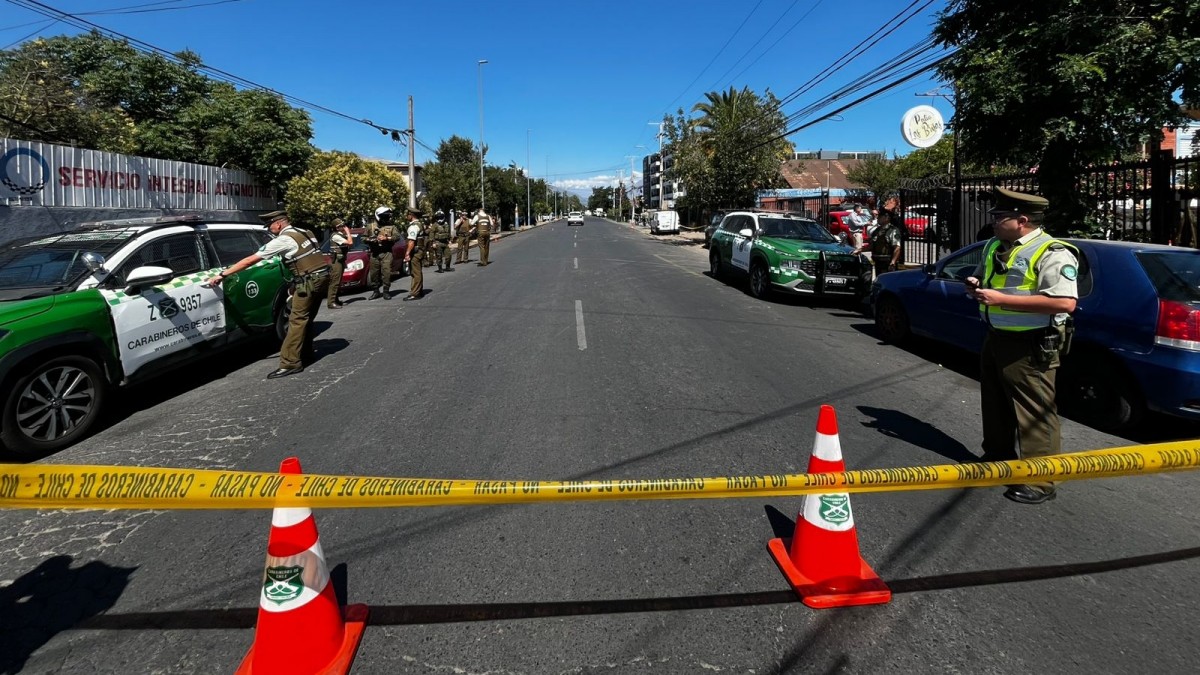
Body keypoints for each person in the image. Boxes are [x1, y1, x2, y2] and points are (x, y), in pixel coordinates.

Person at [964, 188, 1079, 505]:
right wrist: (975, 285)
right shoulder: (994, 245)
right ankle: (998, 460)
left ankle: (1040, 480)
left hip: (1031, 343)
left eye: (1001, 217)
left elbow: (1065, 302)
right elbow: (983, 279)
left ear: (1022, 220)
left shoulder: (1052, 252)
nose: (995, 221)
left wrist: (1000, 299)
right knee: (995, 403)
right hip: (996, 336)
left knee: (1034, 412)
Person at [206, 210, 330, 379]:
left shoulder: (284, 240)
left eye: (270, 225)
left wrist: (222, 275)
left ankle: (290, 363)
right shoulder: (304, 232)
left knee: (297, 320)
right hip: (321, 278)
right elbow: (307, 257)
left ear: (278, 223)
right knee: (306, 318)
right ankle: (306, 354)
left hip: (308, 282)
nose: (269, 228)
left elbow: (250, 260)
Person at [365, 206, 401, 300]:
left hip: (386, 253)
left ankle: (386, 291)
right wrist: (371, 240)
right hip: (375, 253)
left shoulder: (392, 227)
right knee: (374, 274)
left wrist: (387, 238)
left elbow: (397, 237)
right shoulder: (370, 227)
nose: (387, 218)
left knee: (386, 273)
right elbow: (363, 238)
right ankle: (376, 291)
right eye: (384, 216)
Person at [326, 218, 352, 309]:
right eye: (342, 226)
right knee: (335, 282)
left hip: (340, 260)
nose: (344, 227)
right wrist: (348, 232)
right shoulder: (335, 236)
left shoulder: (339, 235)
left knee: (338, 281)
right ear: (337, 227)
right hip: (336, 261)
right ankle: (331, 302)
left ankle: (336, 300)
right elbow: (350, 242)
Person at [401, 206, 426, 301]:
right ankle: (419, 290)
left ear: (411, 215)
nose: (406, 216)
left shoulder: (413, 226)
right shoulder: (420, 224)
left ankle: (415, 293)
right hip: (419, 251)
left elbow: (411, 241)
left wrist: (407, 253)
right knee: (417, 271)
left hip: (415, 252)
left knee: (415, 272)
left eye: (408, 214)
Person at [868, 209, 903, 276]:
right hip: (878, 261)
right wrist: (860, 250)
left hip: (887, 262)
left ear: (887, 218)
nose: (878, 218)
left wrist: (893, 262)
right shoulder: (877, 231)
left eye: (880, 216)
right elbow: (872, 245)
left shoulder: (893, 230)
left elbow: (897, 247)